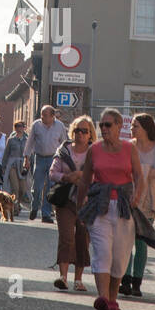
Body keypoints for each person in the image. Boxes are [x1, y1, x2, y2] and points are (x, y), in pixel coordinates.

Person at [75, 108, 144, 310]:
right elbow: (85, 180)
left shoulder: (129, 149)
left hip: (123, 206)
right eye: (101, 125)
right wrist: (80, 208)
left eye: (107, 125)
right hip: (100, 206)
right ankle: (103, 298)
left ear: (118, 126)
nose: (103, 129)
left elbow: (139, 177)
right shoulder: (94, 150)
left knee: (120, 257)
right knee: (103, 252)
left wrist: (137, 197)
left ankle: (113, 299)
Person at [121, 113, 155, 298]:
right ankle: (125, 279)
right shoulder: (128, 146)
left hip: (147, 200)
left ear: (146, 128)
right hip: (129, 197)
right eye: (132, 126)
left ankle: (137, 282)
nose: (132, 129)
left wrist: (137, 169)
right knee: (125, 241)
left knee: (141, 242)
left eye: (135, 126)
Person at [48, 115, 94, 291]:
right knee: (66, 237)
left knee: (83, 238)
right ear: (72, 131)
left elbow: (100, 176)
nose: (80, 134)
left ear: (90, 134)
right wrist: (68, 177)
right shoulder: (64, 150)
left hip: (87, 201)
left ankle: (78, 280)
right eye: (77, 130)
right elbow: (52, 173)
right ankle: (63, 277)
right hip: (66, 200)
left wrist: (82, 178)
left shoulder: (95, 152)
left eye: (84, 131)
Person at [23, 105, 66, 223]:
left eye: (45, 115)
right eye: (41, 115)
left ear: (53, 116)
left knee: (49, 187)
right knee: (37, 186)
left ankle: (46, 214)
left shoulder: (60, 126)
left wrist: (64, 161)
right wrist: (26, 159)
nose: (42, 117)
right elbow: (29, 143)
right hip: (39, 158)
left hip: (53, 159)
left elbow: (64, 143)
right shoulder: (36, 125)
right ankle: (34, 206)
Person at [1, 119, 28, 214]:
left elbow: (31, 153)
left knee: (23, 189)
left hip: (23, 165)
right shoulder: (11, 140)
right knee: (15, 187)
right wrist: (3, 167)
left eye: (21, 126)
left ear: (24, 128)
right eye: (17, 126)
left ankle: (18, 203)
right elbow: (6, 154)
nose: (19, 128)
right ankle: (15, 207)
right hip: (12, 164)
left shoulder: (27, 140)